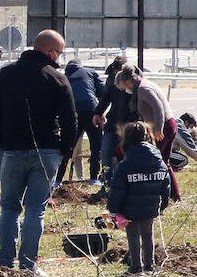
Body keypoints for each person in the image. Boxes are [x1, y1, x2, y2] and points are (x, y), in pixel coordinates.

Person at [0, 29, 76, 276]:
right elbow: (71, 120)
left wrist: (5, 142)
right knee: (35, 209)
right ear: (51, 52)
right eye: (59, 52)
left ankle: (5, 263)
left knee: (9, 208)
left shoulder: (5, 74)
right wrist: (64, 152)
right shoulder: (57, 78)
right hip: (47, 152)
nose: (59, 57)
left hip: (13, 151)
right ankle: (28, 265)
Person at [108, 122, 170, 276]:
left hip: (130, 208)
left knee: (133, 236)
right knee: (148, 234)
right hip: (151, 207)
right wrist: (163, 204)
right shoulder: (158, 160)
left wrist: (113, 209)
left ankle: (136, 268)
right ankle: (149, 267)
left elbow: (118, 190)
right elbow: (166, 184)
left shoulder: (125, 164)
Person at [115, 65, 180, 201]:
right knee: (164, 161)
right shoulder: (144, 84)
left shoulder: (143, 89)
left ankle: (161, 194)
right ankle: (174, 194)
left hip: (163, 127)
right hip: (169, 125)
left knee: (155, 162)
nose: (125, 91)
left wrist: (158, 129)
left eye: (123, 88)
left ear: (128, 82)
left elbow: (158, 108)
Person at [59, 60, 105, 185]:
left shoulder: (64, 77)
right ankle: (94, 178)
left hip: (74, 113)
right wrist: (100, 111)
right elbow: (103, 91)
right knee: (96, 147)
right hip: (92, 111)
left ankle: (58, 180)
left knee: (68, 146)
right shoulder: (90, 72)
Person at [94, 56, 132, 182]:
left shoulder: (135, 81)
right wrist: (97, 112)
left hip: (129, 125)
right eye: (115, 73)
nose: (117, 76)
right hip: (113, 123)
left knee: (127, 155)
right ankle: (107, 183)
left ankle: (125, 183)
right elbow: (105, 97)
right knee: (106, 152)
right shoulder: (111, 80)